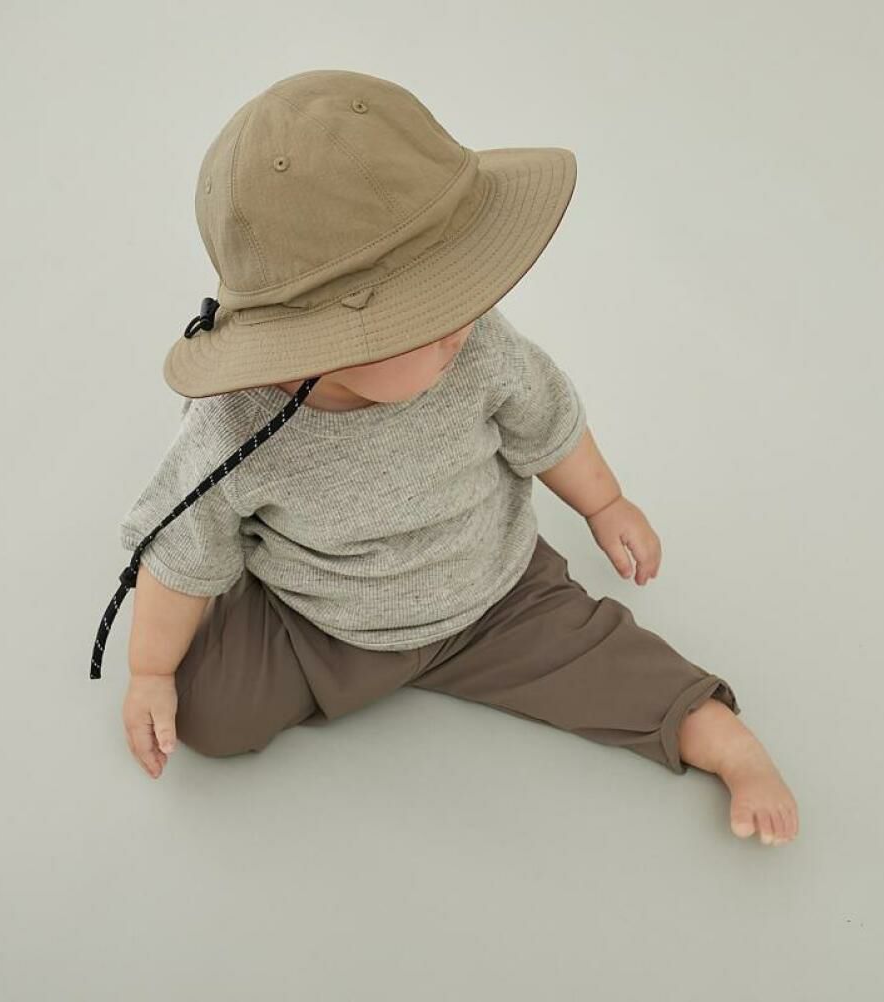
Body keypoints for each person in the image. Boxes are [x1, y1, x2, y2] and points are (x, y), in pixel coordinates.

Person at [114, 69, 799, 847]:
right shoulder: (233, 426)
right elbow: (182, 551)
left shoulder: (475, 346)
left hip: (496, 595)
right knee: (208, 712)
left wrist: (605, 504)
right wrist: (150, 672)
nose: (460, 321)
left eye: (460, 291)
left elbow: (547, 418)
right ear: (315, 343)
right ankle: (235, 642)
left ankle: (726, 743)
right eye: (428, 311)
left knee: (611, 662)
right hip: (321, 624)